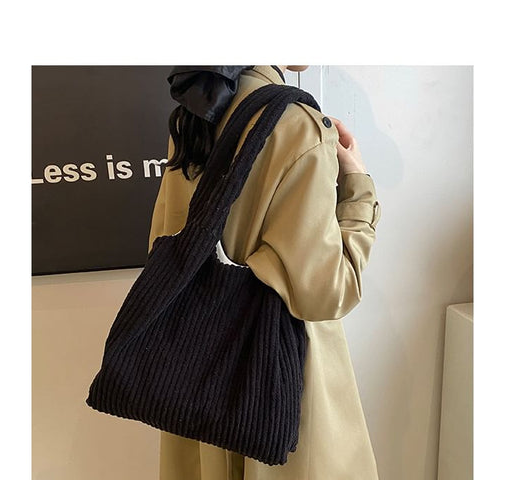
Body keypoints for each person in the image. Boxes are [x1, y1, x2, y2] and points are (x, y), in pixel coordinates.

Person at [148, 65, 381, 480]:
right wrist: (359, 188)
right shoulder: (298, 126)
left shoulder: (195, 109)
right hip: (275, 386)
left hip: (195, 373)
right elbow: (327, 293)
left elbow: (162, 243)